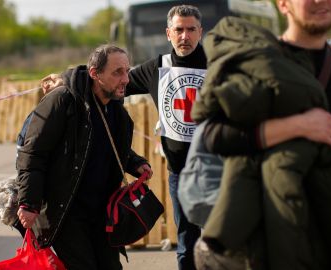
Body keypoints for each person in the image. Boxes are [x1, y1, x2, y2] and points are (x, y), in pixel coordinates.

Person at [192, 0, 331, 270]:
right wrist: (297, 126)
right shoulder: (257, 61)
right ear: (284, 5)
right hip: (272, 233)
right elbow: (214, 136)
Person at [42, 5, 205, 269]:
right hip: (179, 173)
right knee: (187, 243)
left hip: (218, 171)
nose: (184, 36)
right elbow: (104, 78)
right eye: (178, 29)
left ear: (200, 32)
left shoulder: (220, 67)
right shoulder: (157, 68)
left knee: (221, 243)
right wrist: (64, 79)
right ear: (168, 33)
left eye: (190, 29)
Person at [16, 44, 153, 270]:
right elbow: (33, 153)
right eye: (117, 72)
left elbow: (108, 146)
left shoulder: (116, 109)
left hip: (102, 211)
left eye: (127, 71)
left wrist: (136, 163)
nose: (126, 79)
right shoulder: (63, 101)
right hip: (66, 210)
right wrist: (29, 203)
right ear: (94, 74)